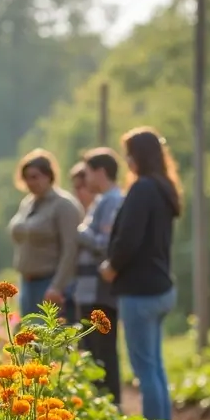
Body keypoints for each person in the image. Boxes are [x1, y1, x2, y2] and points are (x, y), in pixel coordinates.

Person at [99, 127, 181, 420]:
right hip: (161, 287)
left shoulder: (142, 188)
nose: (127, 161)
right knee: (154, 366)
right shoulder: (164, 188)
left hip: (139, 291)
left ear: (140, 157)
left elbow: (129, 239)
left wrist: (112, 266)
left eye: (129, 154)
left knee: (144, 369)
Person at [8, 149, 83, 318]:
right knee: (29, 332)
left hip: (50, 283)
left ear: (49, 176)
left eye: (35, 177)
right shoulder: (27, 203)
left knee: (49, 332)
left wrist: (57, 287)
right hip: (27, 283)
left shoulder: (64, 205)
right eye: (26, 178)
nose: (30, 182)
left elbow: (70, 249)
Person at [74, 148, 123, 406]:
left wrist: (80, 232)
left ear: (101, 172)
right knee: (92, 352)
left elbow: (106, 243)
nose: (86, 178)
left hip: (99, 290)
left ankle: (110, 405)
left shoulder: (112, 201)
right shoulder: (101, 200)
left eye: (88, 172)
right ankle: (101, 404)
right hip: (89, 289)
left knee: (103, 353)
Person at [64, 163, 95, 324]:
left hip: (93, 290)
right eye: (74, 188)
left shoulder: (97, 216)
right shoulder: (71, 213)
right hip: (71, 288)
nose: (77, 193)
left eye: (80, 187)